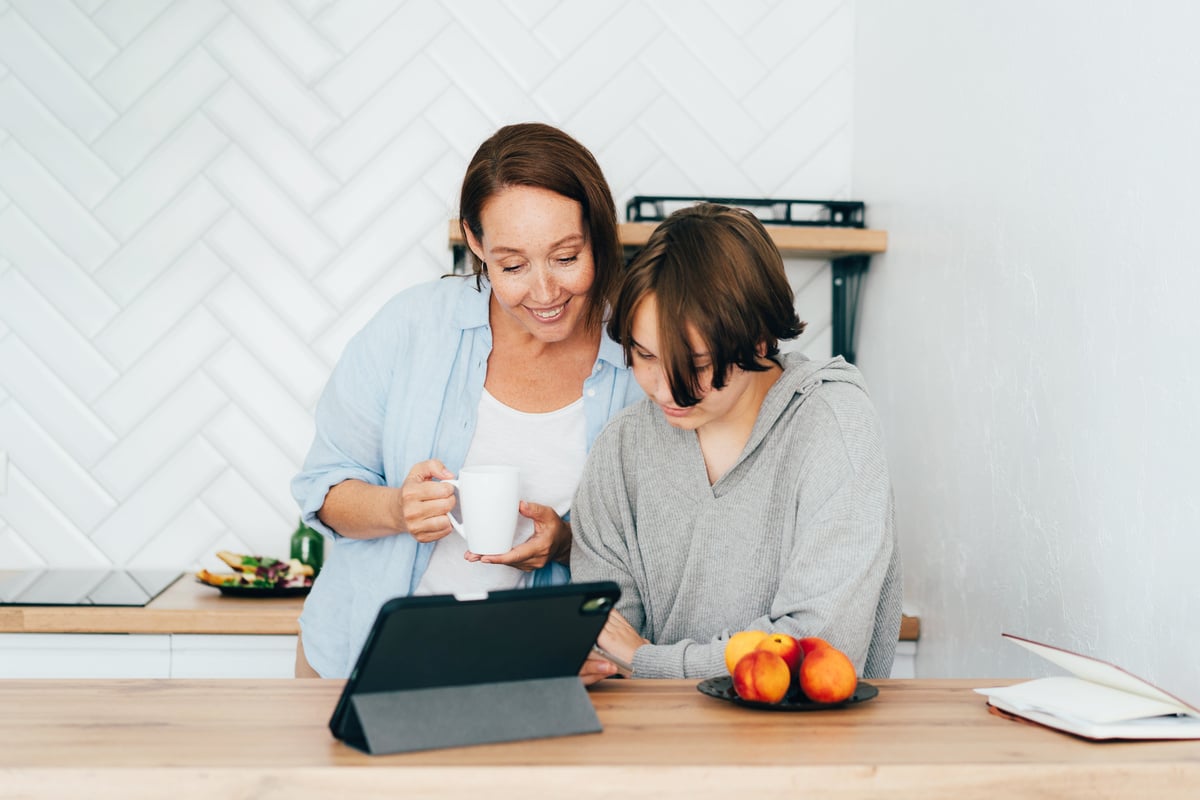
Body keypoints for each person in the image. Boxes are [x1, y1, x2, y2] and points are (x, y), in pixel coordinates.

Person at [291, 123, 643, 678]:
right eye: (513, 266)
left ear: (598, 235)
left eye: (567, 257)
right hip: (364, 659)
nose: (546, 292)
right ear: (476, 244)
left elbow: (658, 531)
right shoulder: (413, 326)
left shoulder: (638, 354)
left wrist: (565, 540)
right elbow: (324, 489)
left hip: (531, 669)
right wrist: (396, 509)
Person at [571, 203, 902, 683]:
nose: (665, 390)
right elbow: (605, 646)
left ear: (761, 341)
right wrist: (630, 659)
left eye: (698, 365)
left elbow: (818, 649)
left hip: (806, 747)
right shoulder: (623, 446)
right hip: (652, 745)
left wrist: (648, 660)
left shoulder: (834, 424)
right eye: (645, 356)